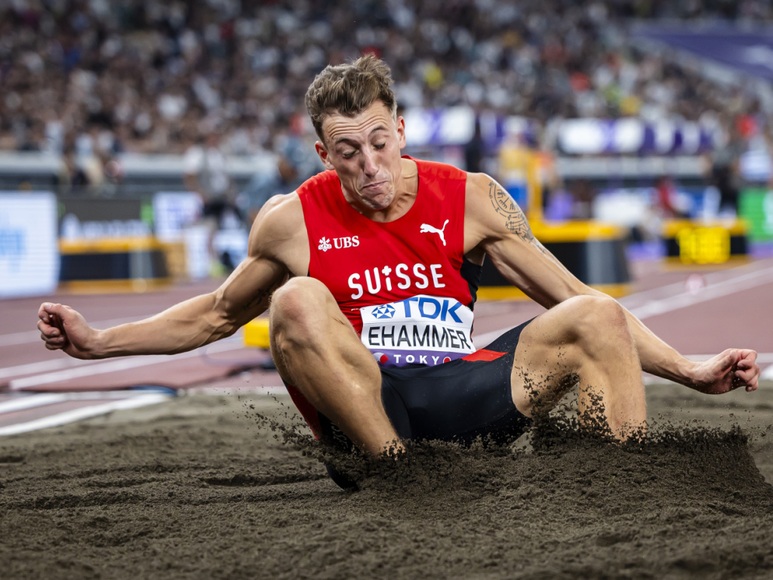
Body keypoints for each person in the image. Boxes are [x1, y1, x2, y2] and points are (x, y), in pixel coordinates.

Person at [38, 55, 760, 489]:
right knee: (294, 300)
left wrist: (689, 370)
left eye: (379, 143)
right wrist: (98, 343)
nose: (369, 166)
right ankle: (397, 477)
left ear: (402, 130)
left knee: (595, 315)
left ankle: (622, 486)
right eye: (348, 152)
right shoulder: (290, 218)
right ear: (323, 154)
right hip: (367, 408)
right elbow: (218, 314)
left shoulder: (472, 197)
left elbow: (573, 296)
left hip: (459, 392)